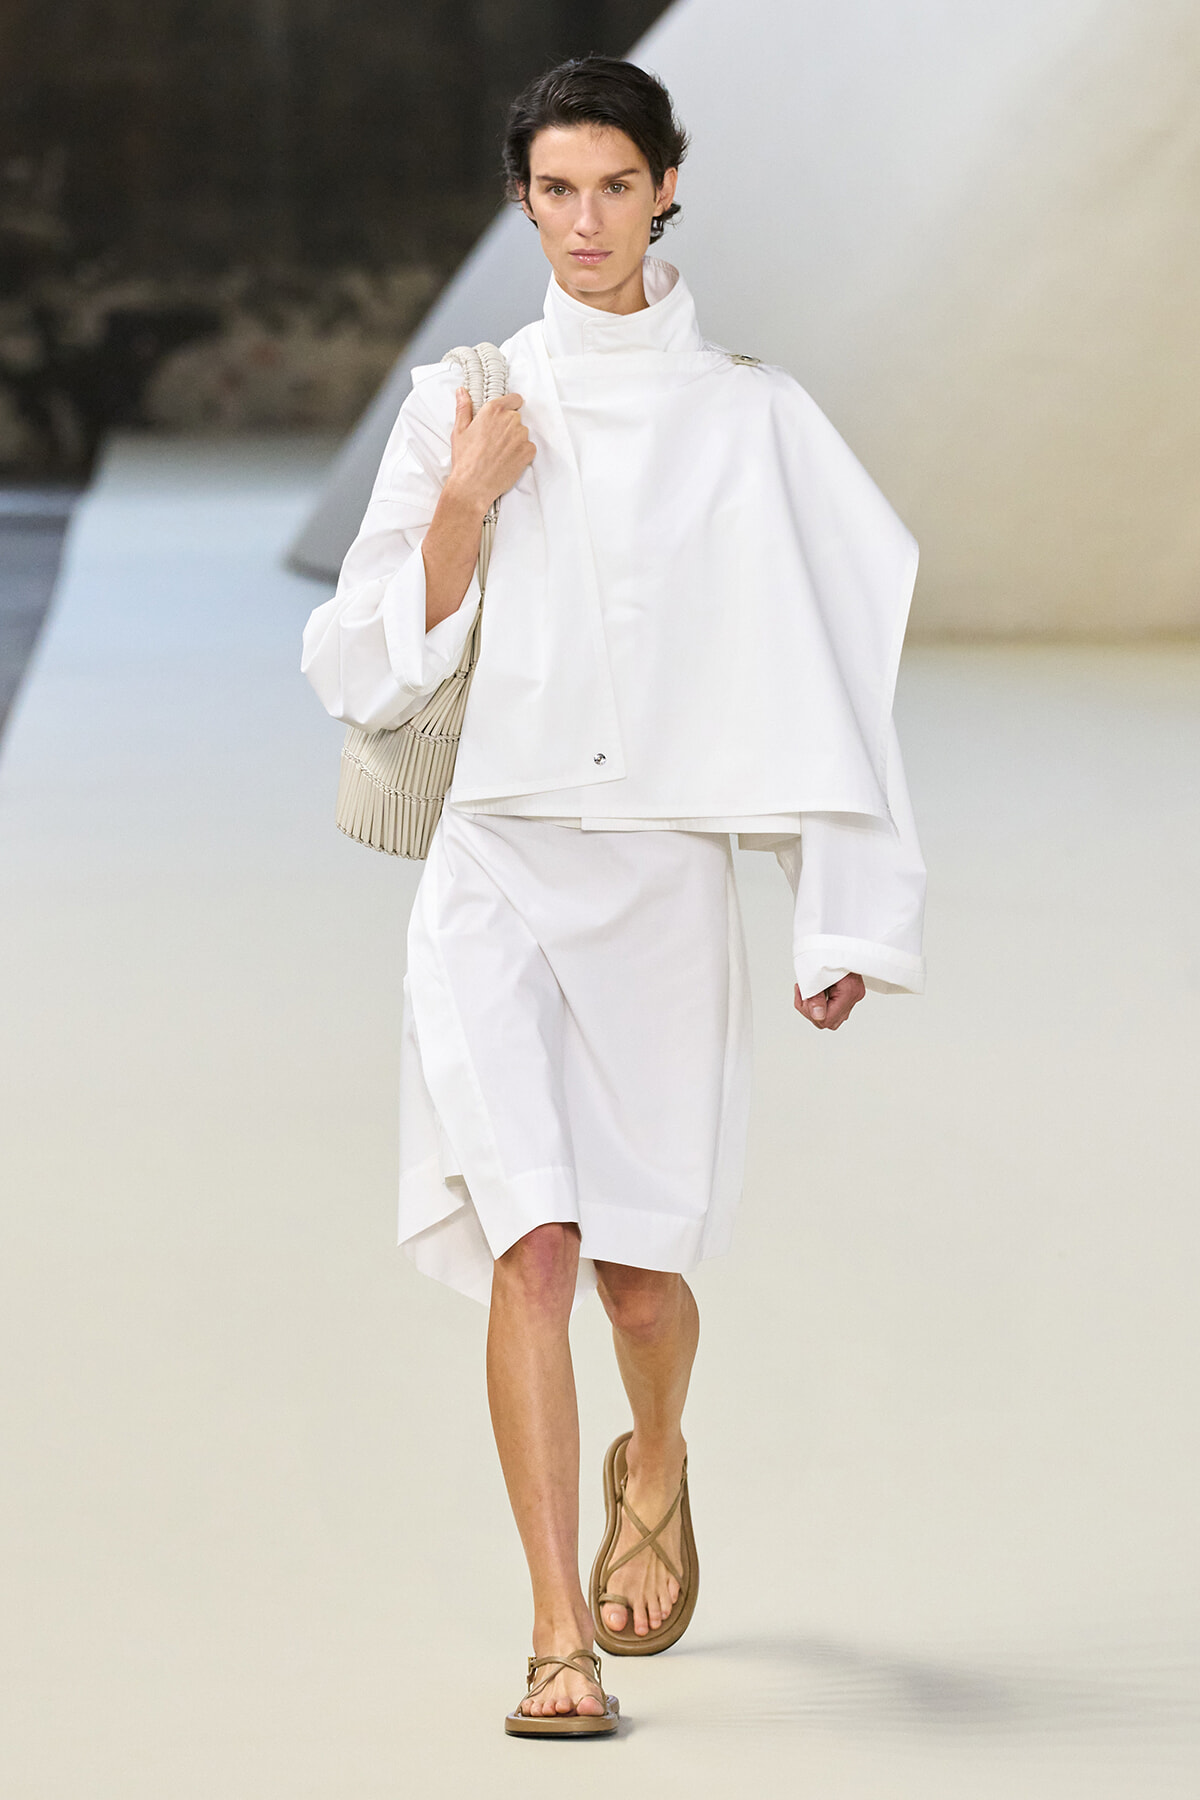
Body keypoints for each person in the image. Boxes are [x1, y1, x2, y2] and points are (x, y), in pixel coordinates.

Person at [301, 54, 926, 1737]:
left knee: (641, 1280)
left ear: (667, 188)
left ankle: (661, 1451)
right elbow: (354, 664)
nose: (584, 221)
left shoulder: (752, 413)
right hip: (494, 863)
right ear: (524, 204)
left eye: (612, 186)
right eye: (552, 190)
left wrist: (837, 900)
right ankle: (552, 1636)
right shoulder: (470, 397)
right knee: (539, 1248)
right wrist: (462, 501)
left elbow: (825, 659)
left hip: (660, 882)